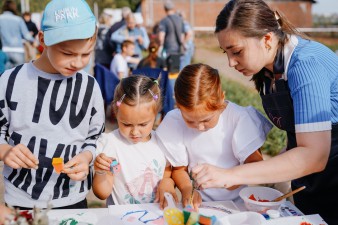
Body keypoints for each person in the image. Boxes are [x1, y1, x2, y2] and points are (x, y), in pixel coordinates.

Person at [192, 0, 338, 224]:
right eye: (226, 53)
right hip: (310, 181)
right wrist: (261, 175)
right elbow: (299, 138)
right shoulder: (268, 72)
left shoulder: (306, 64)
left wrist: (231, 175)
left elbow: (314, 155)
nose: (231, 63)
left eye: (237, 51)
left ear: (267, 39)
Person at [0, 0, 105, 209]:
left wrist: (87, 157)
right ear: (43, 39)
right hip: (20, 200)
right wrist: (4, 150)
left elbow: (96, 136)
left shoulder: (90, 86)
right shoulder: (9, 81)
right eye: (68, 54)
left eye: (86, 54)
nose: (77, 62)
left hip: (73, 199)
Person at [156, 63, 272, 209]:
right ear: (178, 106)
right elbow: (179, 169)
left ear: (221, 99)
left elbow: (256, 166)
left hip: (236, 206)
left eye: (206, 120)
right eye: (190, 121)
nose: (200, 127)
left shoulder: (238, 119)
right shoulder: (175, 121)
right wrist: (187, 189)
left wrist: (230, 180)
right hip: (201, 205)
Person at [92, 75, 175, 205]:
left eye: (143, 124)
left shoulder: (162, 142)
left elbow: (167, 171)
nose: (135, 132)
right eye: (126, 124)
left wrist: (167, 182)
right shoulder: (111, 144)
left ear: (156, 113)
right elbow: (102, 193)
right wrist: (100, 172)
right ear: (116, 111)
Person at [0, 0, 35, 69]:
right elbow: (27, 35)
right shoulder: (18, 19)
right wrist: (33, 41)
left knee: (5, 77)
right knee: (18, 76)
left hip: (5, 50)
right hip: (18, 50)